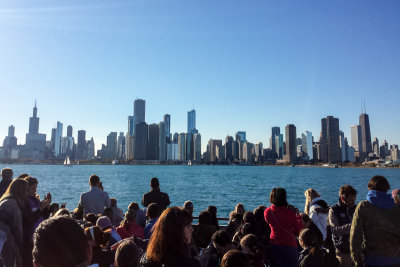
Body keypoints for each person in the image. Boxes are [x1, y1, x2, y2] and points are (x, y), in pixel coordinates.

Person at [350, 175, 400, 267]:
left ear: (369, 188)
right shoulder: (397, 208)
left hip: (372, 261)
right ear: (386, 189)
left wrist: (358, 262)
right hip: (396, 260)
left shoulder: (363, 206)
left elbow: (355, 237)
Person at [264, 187, 302, 267]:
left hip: (275, 245)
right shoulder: (291, 214)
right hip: (290, 246)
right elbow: (299, 230)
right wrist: (298, 216)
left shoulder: (268, 212)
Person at [22, 176, 51, 267]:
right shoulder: (25, 202)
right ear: (27, 188)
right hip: (29, 237)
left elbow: (42, 217)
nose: (35, 190)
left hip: (38, 235)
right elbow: (30, 219)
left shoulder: (35, 200)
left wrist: (47, 206)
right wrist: (41, 207)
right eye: (33, 188)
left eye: (36, 188)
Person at [0, 178, 28, 267]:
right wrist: (16, 249)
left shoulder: (11, 202)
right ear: (21, 190)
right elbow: (4, 229)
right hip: (7, 247)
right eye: (26, 190)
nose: (27, 193)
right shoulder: (10, 205)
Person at [328, 184, 357, 267]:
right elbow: (335, 230)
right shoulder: (333, 210)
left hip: (357, 250)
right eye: (351, 200)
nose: (353, 202)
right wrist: (352, 226)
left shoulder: (356, 208)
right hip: (343, 252)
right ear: (342, 198)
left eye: (354, 200)